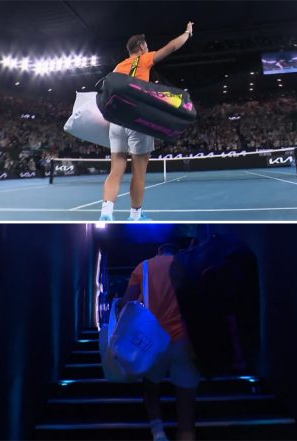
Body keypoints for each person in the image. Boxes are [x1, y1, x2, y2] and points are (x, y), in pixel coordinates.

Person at [99, 22, 194, 222]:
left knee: (116, 170)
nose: (148, 48)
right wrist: (187, 33)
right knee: (139, 172)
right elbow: (172, 47)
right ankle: (135, 216)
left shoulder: (118, 67)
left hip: (116, 122)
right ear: (141, 47)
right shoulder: (143, 59)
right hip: (137, 120)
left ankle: (106, 213)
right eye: (147, 45)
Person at [119, 243, 200, 441]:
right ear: (175, 251)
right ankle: (186, 434)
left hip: (152, 341)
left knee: (151, 388)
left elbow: (126, 304)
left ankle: (158, 432)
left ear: (158, 252)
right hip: (184, 340)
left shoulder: (143, 267)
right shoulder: (188, 266)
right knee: (186, 408)